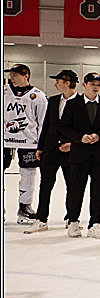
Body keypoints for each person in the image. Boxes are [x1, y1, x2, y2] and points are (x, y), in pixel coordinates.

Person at [23, 70, 78, 234]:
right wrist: (40, 147)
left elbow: (83, 128)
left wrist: (72, 144)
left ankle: (71, 219)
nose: (55, 84)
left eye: (58, 81)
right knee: (45, 185)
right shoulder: (53, 101)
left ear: (67, 83)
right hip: (50, 150)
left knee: (72, 186)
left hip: (70, 152)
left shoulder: (81, 103)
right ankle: (41, 219)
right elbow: (46, 125)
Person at [59, 72, 100, 239]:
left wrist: (99, 136)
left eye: (98, 84)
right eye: (92, 84)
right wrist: (79, 137)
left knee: (98, 191)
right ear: (84, 84)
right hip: (79, 154)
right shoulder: (73, 104)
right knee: (76, 189)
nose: (95, 87)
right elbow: (63, 127)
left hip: (99, 155)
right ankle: (73, 222)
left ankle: (95, 224)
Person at [4, 64, 48, 222]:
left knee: (28, 174)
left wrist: (41, 145)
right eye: (11, 75)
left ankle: (24, 207)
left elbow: (42, 123)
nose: (11, 78)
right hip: (5, 141)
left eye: (15, 75)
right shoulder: (4, 92)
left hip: (29, 142)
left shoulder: (38, 96)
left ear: (26, 75)